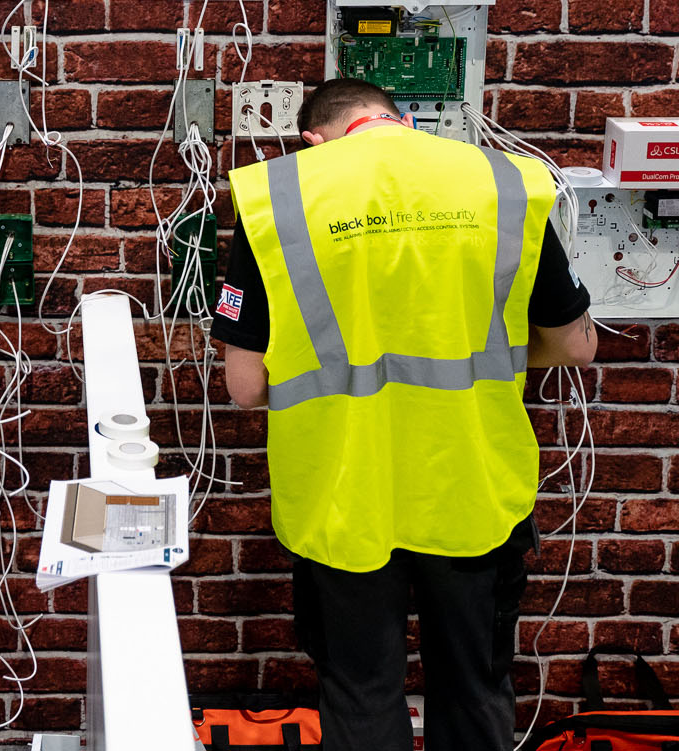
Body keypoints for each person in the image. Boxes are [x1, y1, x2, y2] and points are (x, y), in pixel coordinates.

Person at [212, 78, 596, 751]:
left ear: (314, 140)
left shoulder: (280, 195)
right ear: (405, 119)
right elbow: (575, 343)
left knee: (361, 694)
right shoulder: (504, 184)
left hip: (344, 493)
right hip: (471, 488)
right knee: (475, 690)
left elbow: (245, 385)